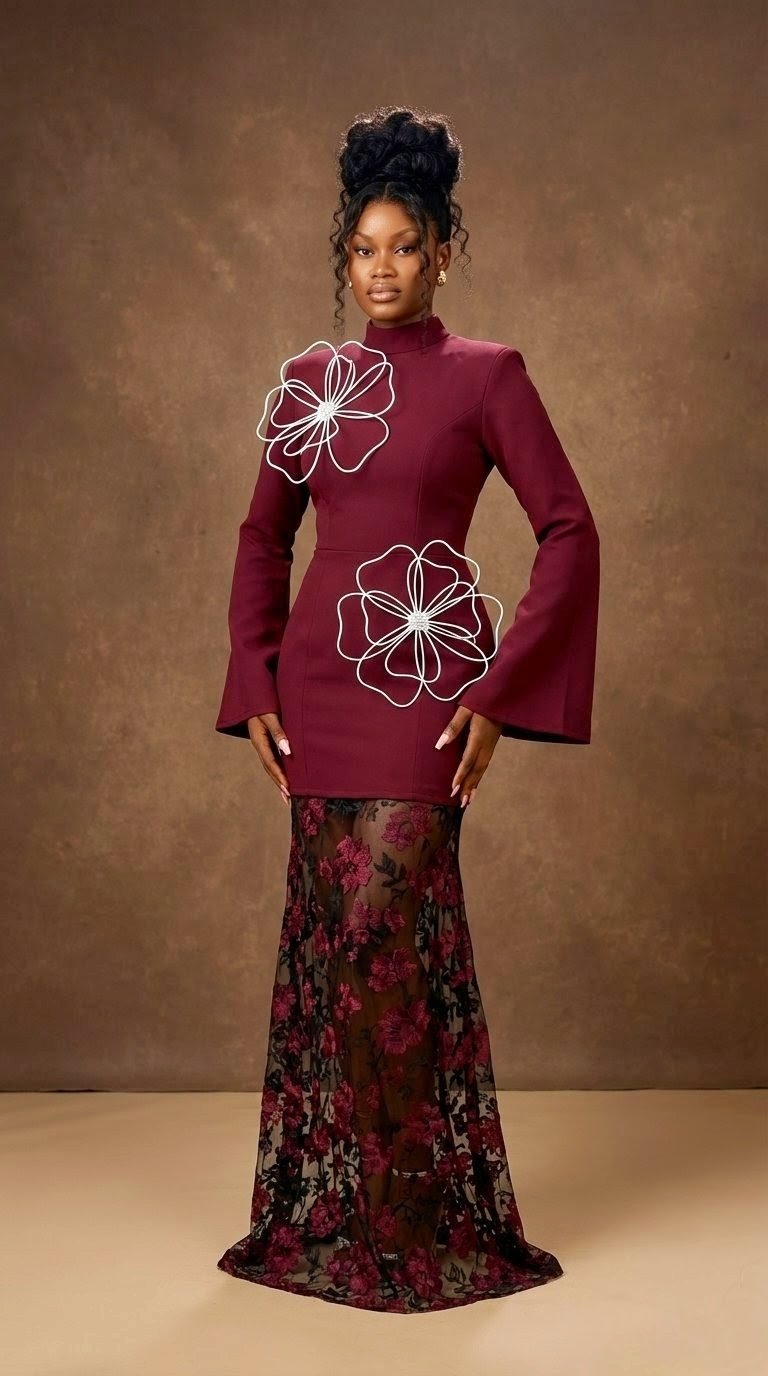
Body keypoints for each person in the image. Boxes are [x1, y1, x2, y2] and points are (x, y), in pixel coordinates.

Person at [214, 105, 600, 1314]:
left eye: (404, 248)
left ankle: (412, 1214)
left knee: (386, 939)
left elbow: (569, 530)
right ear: (348, 258)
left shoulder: (489, 375)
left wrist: (498, 694)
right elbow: (263, 536)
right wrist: (254, 678)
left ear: (441, 255)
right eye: (363, 249)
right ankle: (357, 1211)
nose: (381, 269)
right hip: (320, 697)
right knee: (342, 951)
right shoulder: (312, 385)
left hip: (422, 689)